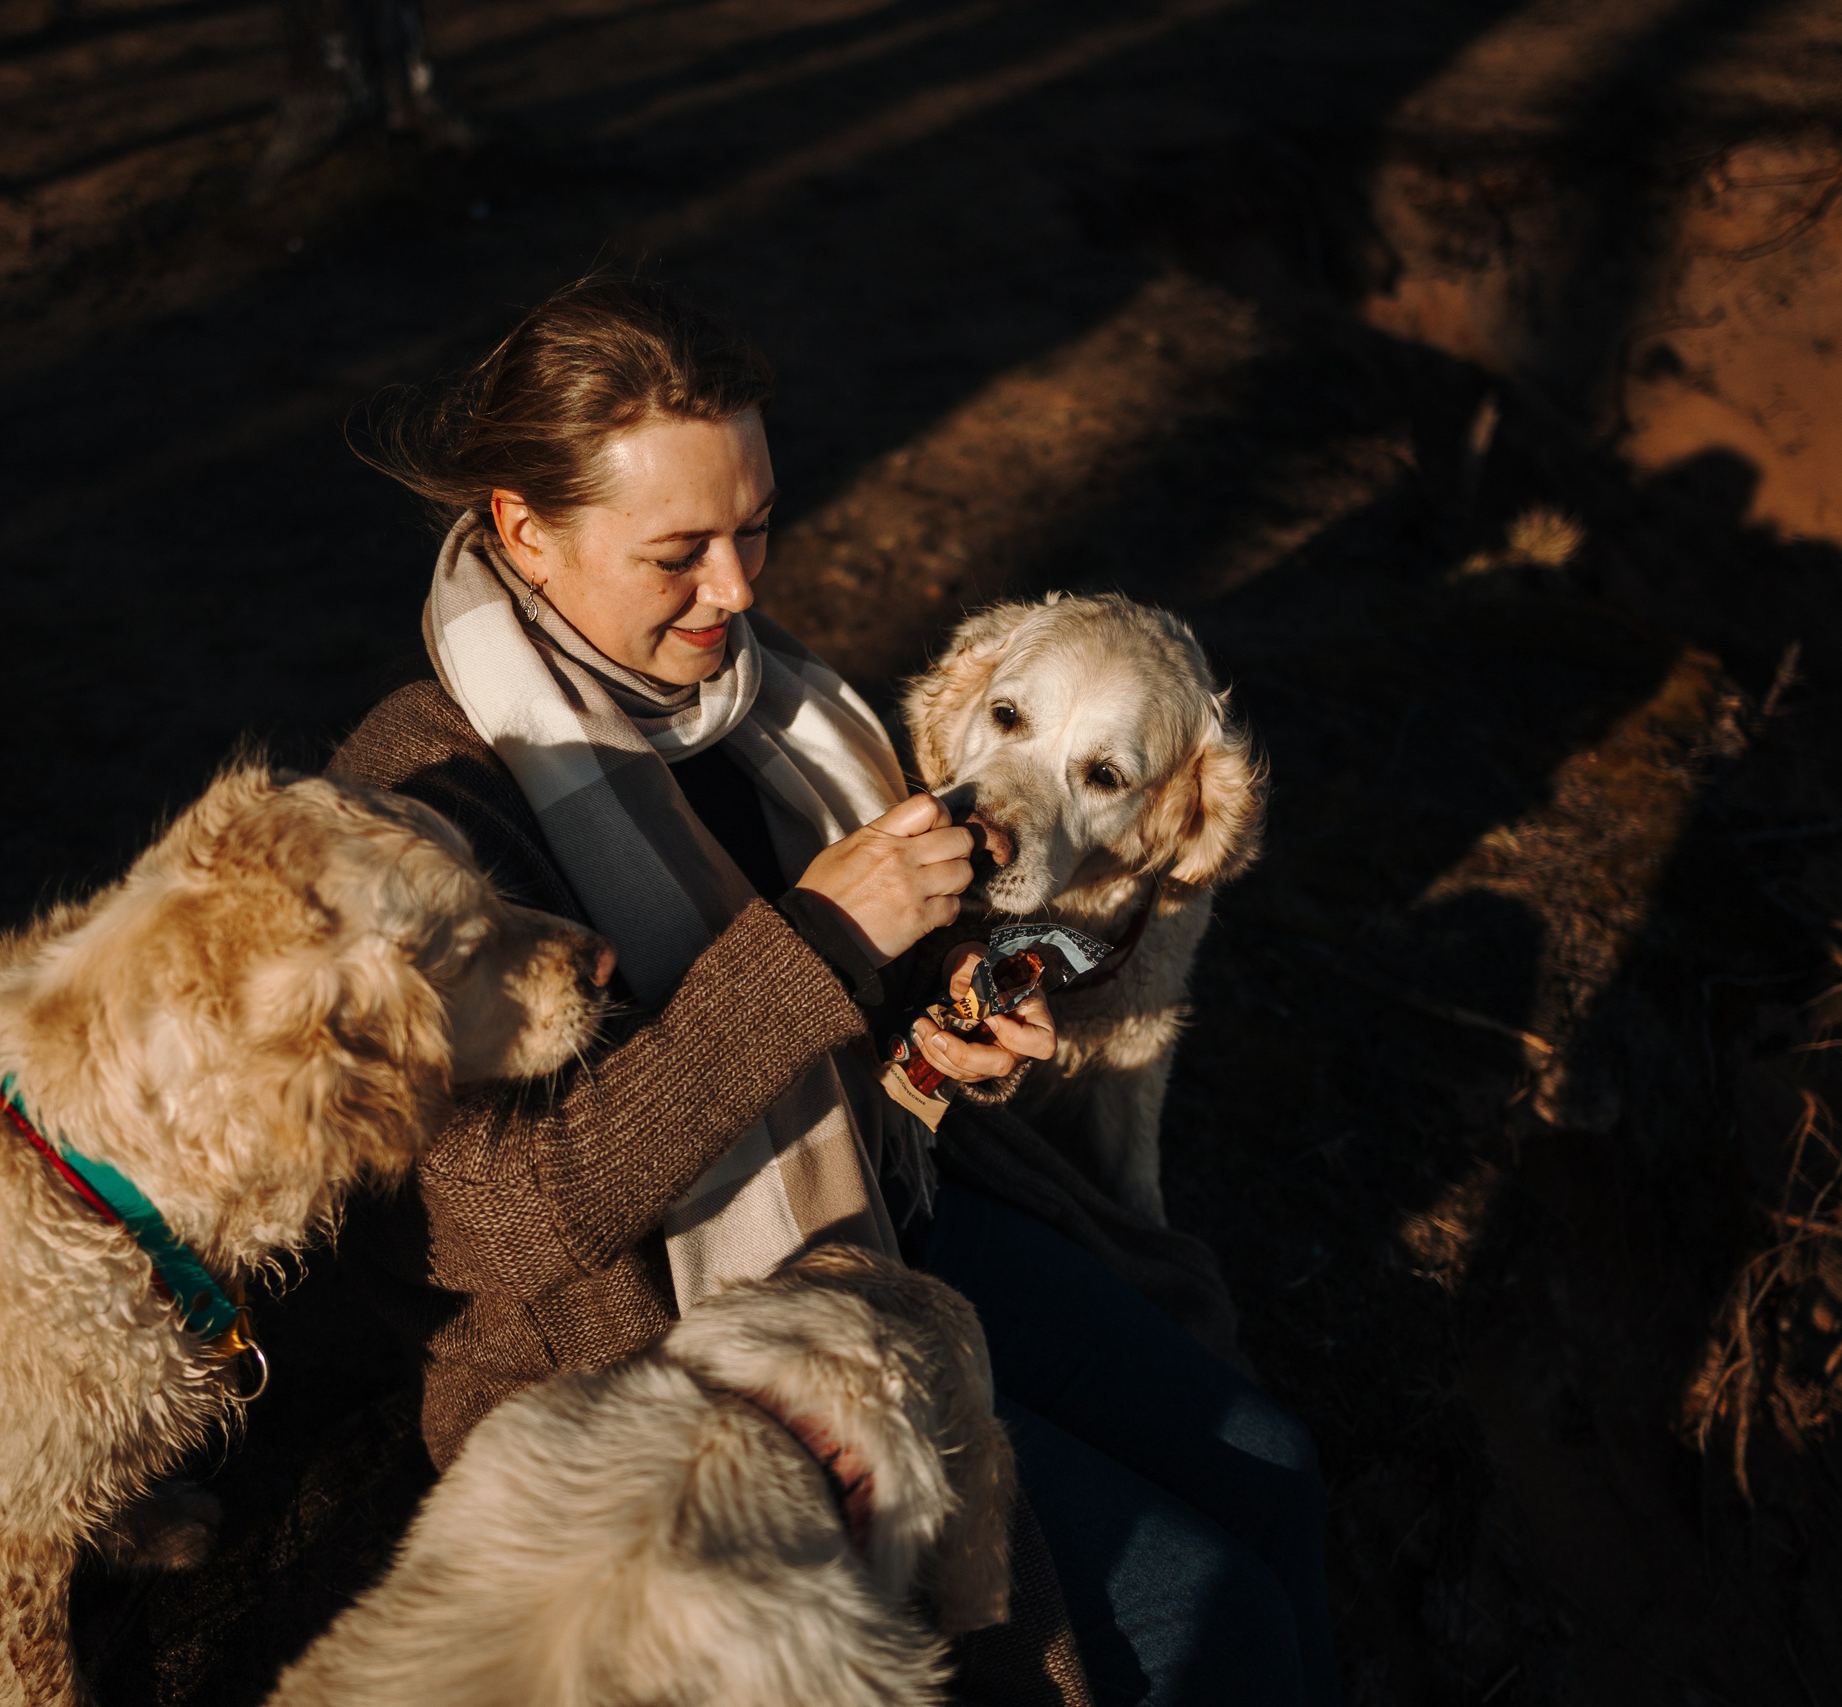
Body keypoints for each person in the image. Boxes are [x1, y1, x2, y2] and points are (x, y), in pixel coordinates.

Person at [326, 274, 1339, 1706]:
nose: (738, 591)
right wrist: (809, 942)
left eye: (755, 528)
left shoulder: (771, 712)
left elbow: (835, 1045)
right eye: (680, 550)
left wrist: (937, 1046)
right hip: (667, 1347)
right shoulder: (417, 799)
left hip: (887, 1216)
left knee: (1278, 1474)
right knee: (1207, 1616)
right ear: (523, 528)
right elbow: (485, 1220)